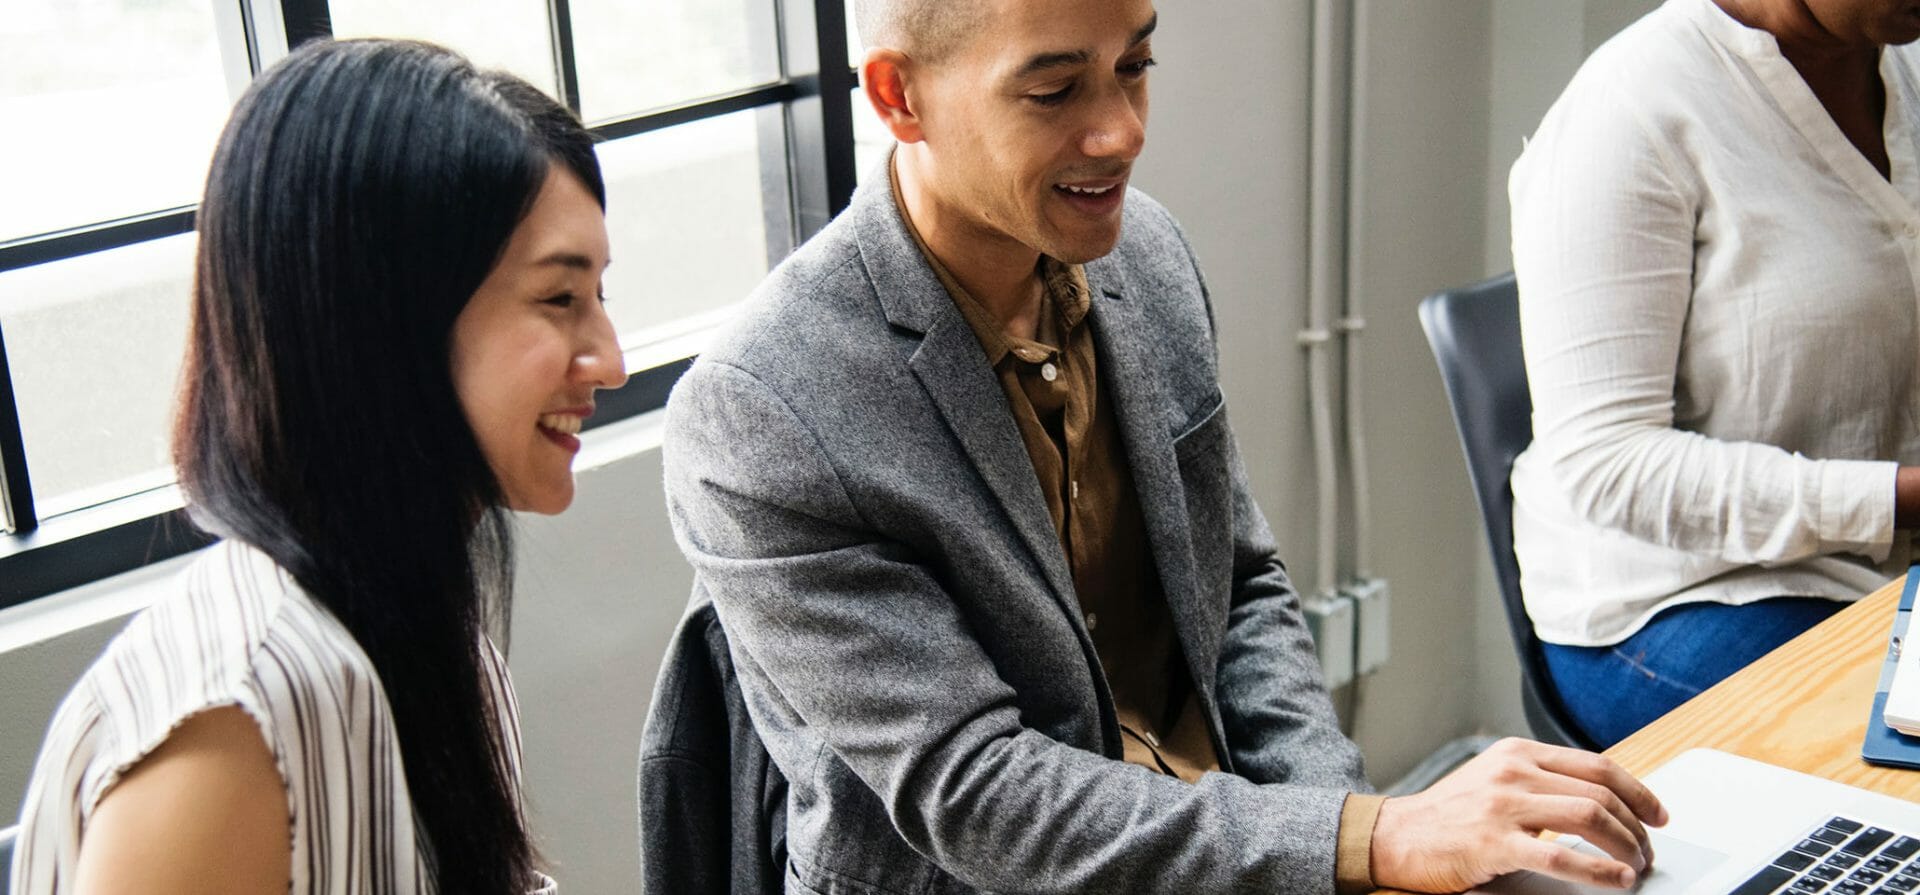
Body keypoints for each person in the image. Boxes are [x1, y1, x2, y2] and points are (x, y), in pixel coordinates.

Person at [659, 0, 1666, 891]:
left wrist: (1344, 842)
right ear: (897, 97)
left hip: (1230, 844)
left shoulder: (1149, 257)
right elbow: (977, 792)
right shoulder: (764, 407)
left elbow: (1241, 587)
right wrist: (1369, 837)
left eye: (1135, 66)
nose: (1122, 131)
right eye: (1054, 91)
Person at [9, 38, 626, 894]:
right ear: (384, 324)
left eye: (601, 294)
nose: (612, 359)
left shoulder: (426, 633)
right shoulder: (235, 715)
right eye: (561, 298)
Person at [1510, 0, 1920, 748]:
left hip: (1888, 560)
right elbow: (1609, 465)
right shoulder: (1631, 111)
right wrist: (1899, 498)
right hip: (1688, 593)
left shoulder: (1898, 68)